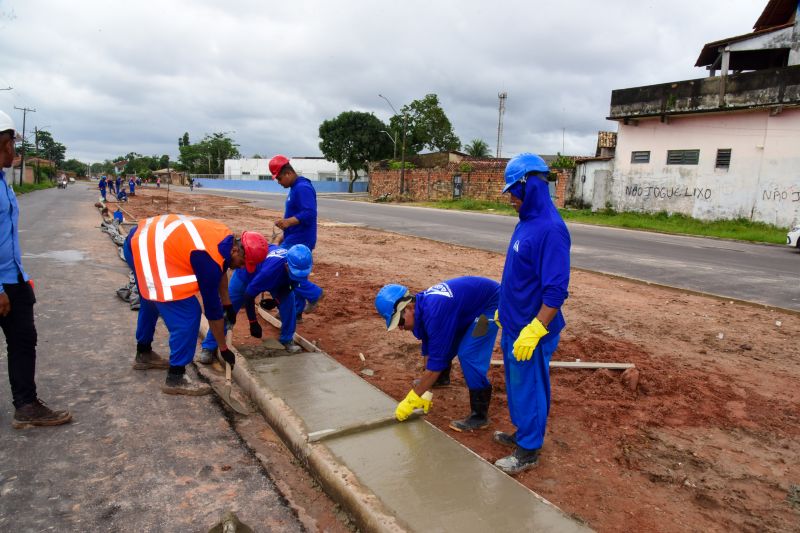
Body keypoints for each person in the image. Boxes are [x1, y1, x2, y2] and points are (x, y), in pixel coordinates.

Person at [123, 214, 268, 395]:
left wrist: (228, 304)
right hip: (146, 249)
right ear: (236, 252)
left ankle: (143, 353)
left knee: (151, 298)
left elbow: (222, 268)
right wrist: (223, 349)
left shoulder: (226, 239)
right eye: (242, 263)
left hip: (139, 240)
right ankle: (176, 378)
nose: (241, 268)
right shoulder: (208, 262)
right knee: (189, 312)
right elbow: (212, 312)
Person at [492, 153, 571, 475]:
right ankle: (522, 432)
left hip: (532, 330)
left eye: (513, 189)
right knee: (516, 384)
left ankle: (529, 450)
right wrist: (503, 310)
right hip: (514, 323)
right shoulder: (526, 223)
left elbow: (556, 291)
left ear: (530, 186)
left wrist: (536, 329)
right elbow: (518, 275)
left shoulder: (551, 230)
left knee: (531, 386)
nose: (509, 197)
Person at [0, 110, 72, 429]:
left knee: (24, 340)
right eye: (13, 143)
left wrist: (19, 276)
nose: (16, 150)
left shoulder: (3, 181)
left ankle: (26, 405)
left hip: (13, 277)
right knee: (22, 340)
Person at [375, 277, 500, 431]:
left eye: (400, 322)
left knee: (469, 353)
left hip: (491, 305)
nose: (400, 328)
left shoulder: (435, 312)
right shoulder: (421, 309)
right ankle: (441, 379)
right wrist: (426, 387)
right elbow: (430, 344)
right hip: (466, 309)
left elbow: (436, 363)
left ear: (409, 307)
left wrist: (412, 398)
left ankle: (480, 416)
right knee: (442, 343)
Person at [198, 243, 313, 361]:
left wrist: (276, 301)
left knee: (288, 303)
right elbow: (249, 295)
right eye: (294, 272)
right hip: (246, 275)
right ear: (286, 265)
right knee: (227, 309)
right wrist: (253, 322)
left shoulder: (300, 267)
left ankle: (287, 339)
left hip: (277, 279)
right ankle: (209, 346)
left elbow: (290, 286)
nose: (298, 275)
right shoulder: (269, 271)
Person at [269, 155, 323, 321]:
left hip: (300, 240)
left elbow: (309, 213)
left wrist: (287, 222)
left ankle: (314, 294)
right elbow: (297, 216)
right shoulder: (295, 187)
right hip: (294, 237)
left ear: (287, 173)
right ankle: (296, 311)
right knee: (297, 273)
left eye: (278, 178)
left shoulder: (302, 188)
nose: (278, 182)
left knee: (286, 273)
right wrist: (284, 235)